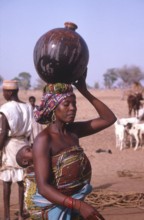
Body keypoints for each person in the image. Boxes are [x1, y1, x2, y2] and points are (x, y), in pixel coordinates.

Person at [20, 74, 116, 219]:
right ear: (53, 107)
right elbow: (44, 187)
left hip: (73, 205)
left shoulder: (73, 131)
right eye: (66, 104)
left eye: (74, 103)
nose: (72, 108)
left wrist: (84, 91)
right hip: (57, 208)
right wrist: (79, 206)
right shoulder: (44, 140)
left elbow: (109, 118)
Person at [0, 80, 33, 220]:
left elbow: (3, 133)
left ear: (10, 92)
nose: (3, 94)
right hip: (24, 145)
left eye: (4, 91)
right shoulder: (28, 107)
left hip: (10, 145)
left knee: (7, 181)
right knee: (21, 180)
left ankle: (7, 216)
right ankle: (21, 213)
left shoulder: (5, 108)